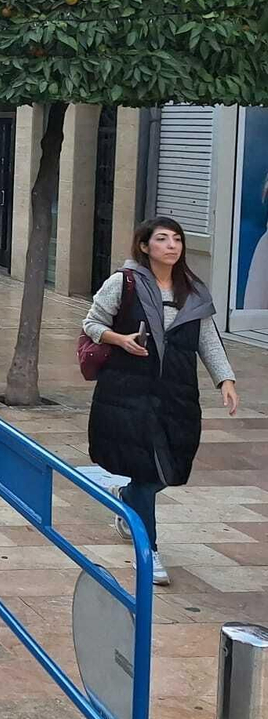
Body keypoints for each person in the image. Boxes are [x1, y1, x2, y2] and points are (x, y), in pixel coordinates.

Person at [83, 216, 239, 586]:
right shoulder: (124, 283)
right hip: (129, 392)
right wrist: (120, 339)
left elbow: (207, 339)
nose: (172, 246)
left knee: (172, 466)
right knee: (147, 471)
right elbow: (91, 324)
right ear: (145, 246)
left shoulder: (194, 291)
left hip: (176, 394)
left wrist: (226, 379)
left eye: (177, 240)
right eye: (163, 239)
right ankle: (148, 551)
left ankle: (126, 497)